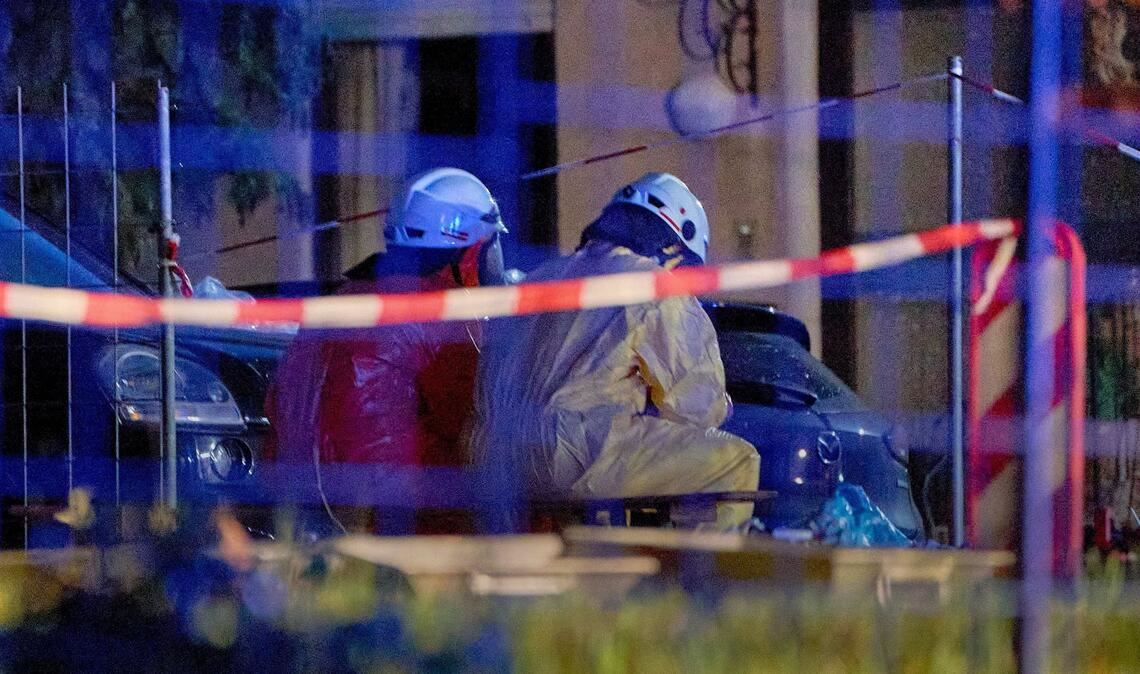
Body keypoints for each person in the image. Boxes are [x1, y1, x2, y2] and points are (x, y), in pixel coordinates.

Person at [471, 172, 759, 528]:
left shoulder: (538, 278)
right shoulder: (653, 285)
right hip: (572, 451)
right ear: (673, 247)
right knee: (735, 461)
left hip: (492, 452)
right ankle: (692, 580)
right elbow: (696, 408)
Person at [265, 167, 506, 532]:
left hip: (297, 507)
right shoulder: (445, 315)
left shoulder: (341, 299)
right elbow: (470, 423)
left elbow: (277, 402)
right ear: (471, 253)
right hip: (398, 516)